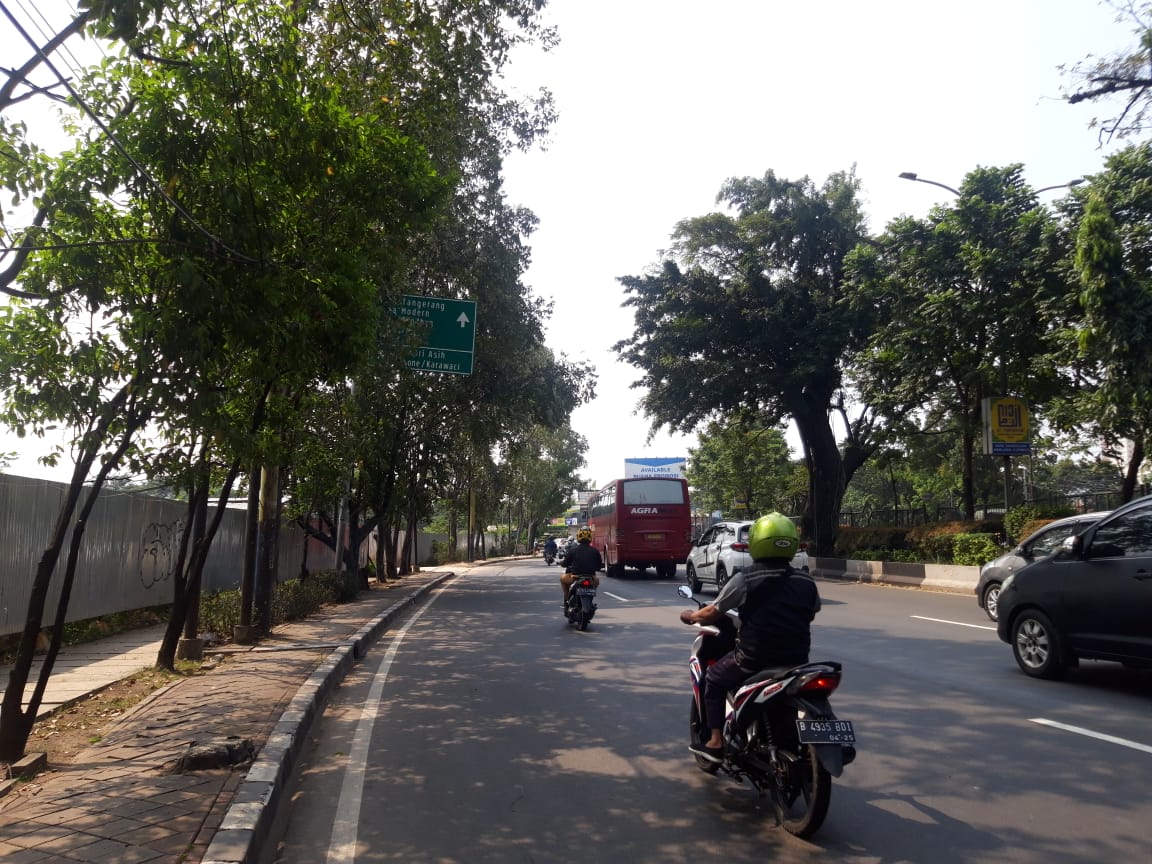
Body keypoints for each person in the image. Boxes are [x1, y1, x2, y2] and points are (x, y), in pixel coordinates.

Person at [679, 512, 820, 763]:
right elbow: (810, 614)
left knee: (714, 679)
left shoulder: (745, 579)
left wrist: (691, 616)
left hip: (753, 659)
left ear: (756, 542)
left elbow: (713, 612)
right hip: (797, 661)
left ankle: (714, 741)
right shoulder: (805, 580)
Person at [560, 527, 603, 607]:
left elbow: (564, 563)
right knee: (596, 581)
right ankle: (590, 597)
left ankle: (566, 599)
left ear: (578, 536)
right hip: (591, 578)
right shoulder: (595, 551)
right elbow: (599, 567)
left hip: (575, 577)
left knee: (562, 578)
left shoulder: (573, 550)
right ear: (590, 537)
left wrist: (562, 563)